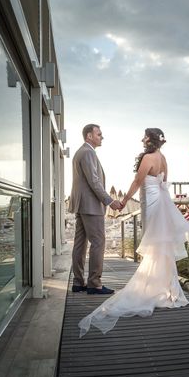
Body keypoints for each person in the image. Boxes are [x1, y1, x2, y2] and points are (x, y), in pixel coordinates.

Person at [78, 128, 189, 337]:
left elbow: (137, 182)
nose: (142, 139)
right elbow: (165, 183)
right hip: (160, 201)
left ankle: (151, 287)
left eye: (145, 137)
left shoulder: (148, 158)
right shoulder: (163, 158)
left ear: (151, 140)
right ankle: (166, 287)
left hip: (151, 203)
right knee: (161, 245)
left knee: (154, 243)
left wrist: (123, 201)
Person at [69, 124, 122, 295]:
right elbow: (94, 181)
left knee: (80, 244)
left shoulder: (80, 152)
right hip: (91, 206)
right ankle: (94, 283)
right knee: (98, 242)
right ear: (89, 136)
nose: (102, 137)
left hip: (81, 205)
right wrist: (109, 201)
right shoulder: (88, 152)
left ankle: (78, 282)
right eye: (99, 134)